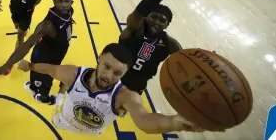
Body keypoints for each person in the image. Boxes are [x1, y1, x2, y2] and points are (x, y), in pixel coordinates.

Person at [15, 43, 220, 135]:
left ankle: (60, 97)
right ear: (99, 59)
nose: (108, 76)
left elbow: (144, 120)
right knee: (61, 101)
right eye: (106, 67)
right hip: (63, 120)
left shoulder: (125, 96)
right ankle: (59, 98)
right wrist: (30, 66)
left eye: (117, 73)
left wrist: (175, 122)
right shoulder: (72, 73)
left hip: (93, 132)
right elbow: (50, 69)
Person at [119, 0, 202, 96]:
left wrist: (203, 64)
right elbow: (140, 10)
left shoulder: (170, 44)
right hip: (113, 80)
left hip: (135, 89)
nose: (156, 22)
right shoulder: (134, 29)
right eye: (153, 17)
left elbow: (186, 64)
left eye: (162, 20)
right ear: (146, 17)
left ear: (167, 25)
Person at [0, 0, 74, 105]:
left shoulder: (68, 11)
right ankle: (44, 98)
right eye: (60, 1)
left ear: (71, 2)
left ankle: (33, 86)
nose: (64, 5)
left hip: (55, 55)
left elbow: (67, 15)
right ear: (54, 2)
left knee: (40, 80)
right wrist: (5, 66)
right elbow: (26, 45)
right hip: (44, 60)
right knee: (45, 85)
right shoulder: (47, 26)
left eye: (66, 1)